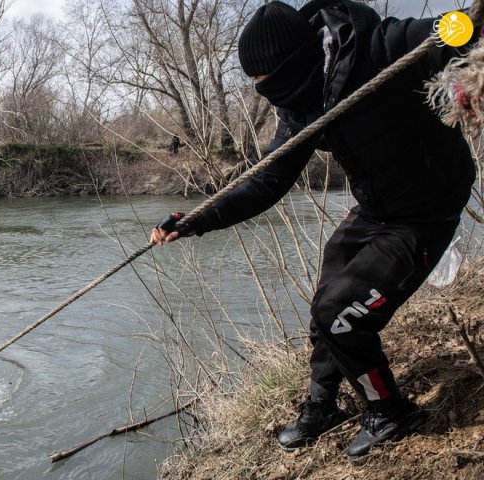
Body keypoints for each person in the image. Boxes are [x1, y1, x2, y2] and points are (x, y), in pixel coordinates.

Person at [150, 0, 480, 460]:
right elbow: (267, 180)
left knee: (340, 313)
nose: (264, 93)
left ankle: (390, 411)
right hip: (375, 210)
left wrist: (466, 26)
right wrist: (197, 221)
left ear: (290, 66)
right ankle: (322, 405)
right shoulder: (300, 106)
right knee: (325, 303)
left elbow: (444, 35)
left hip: (426, 212)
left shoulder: (377, 47)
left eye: (264, 82)